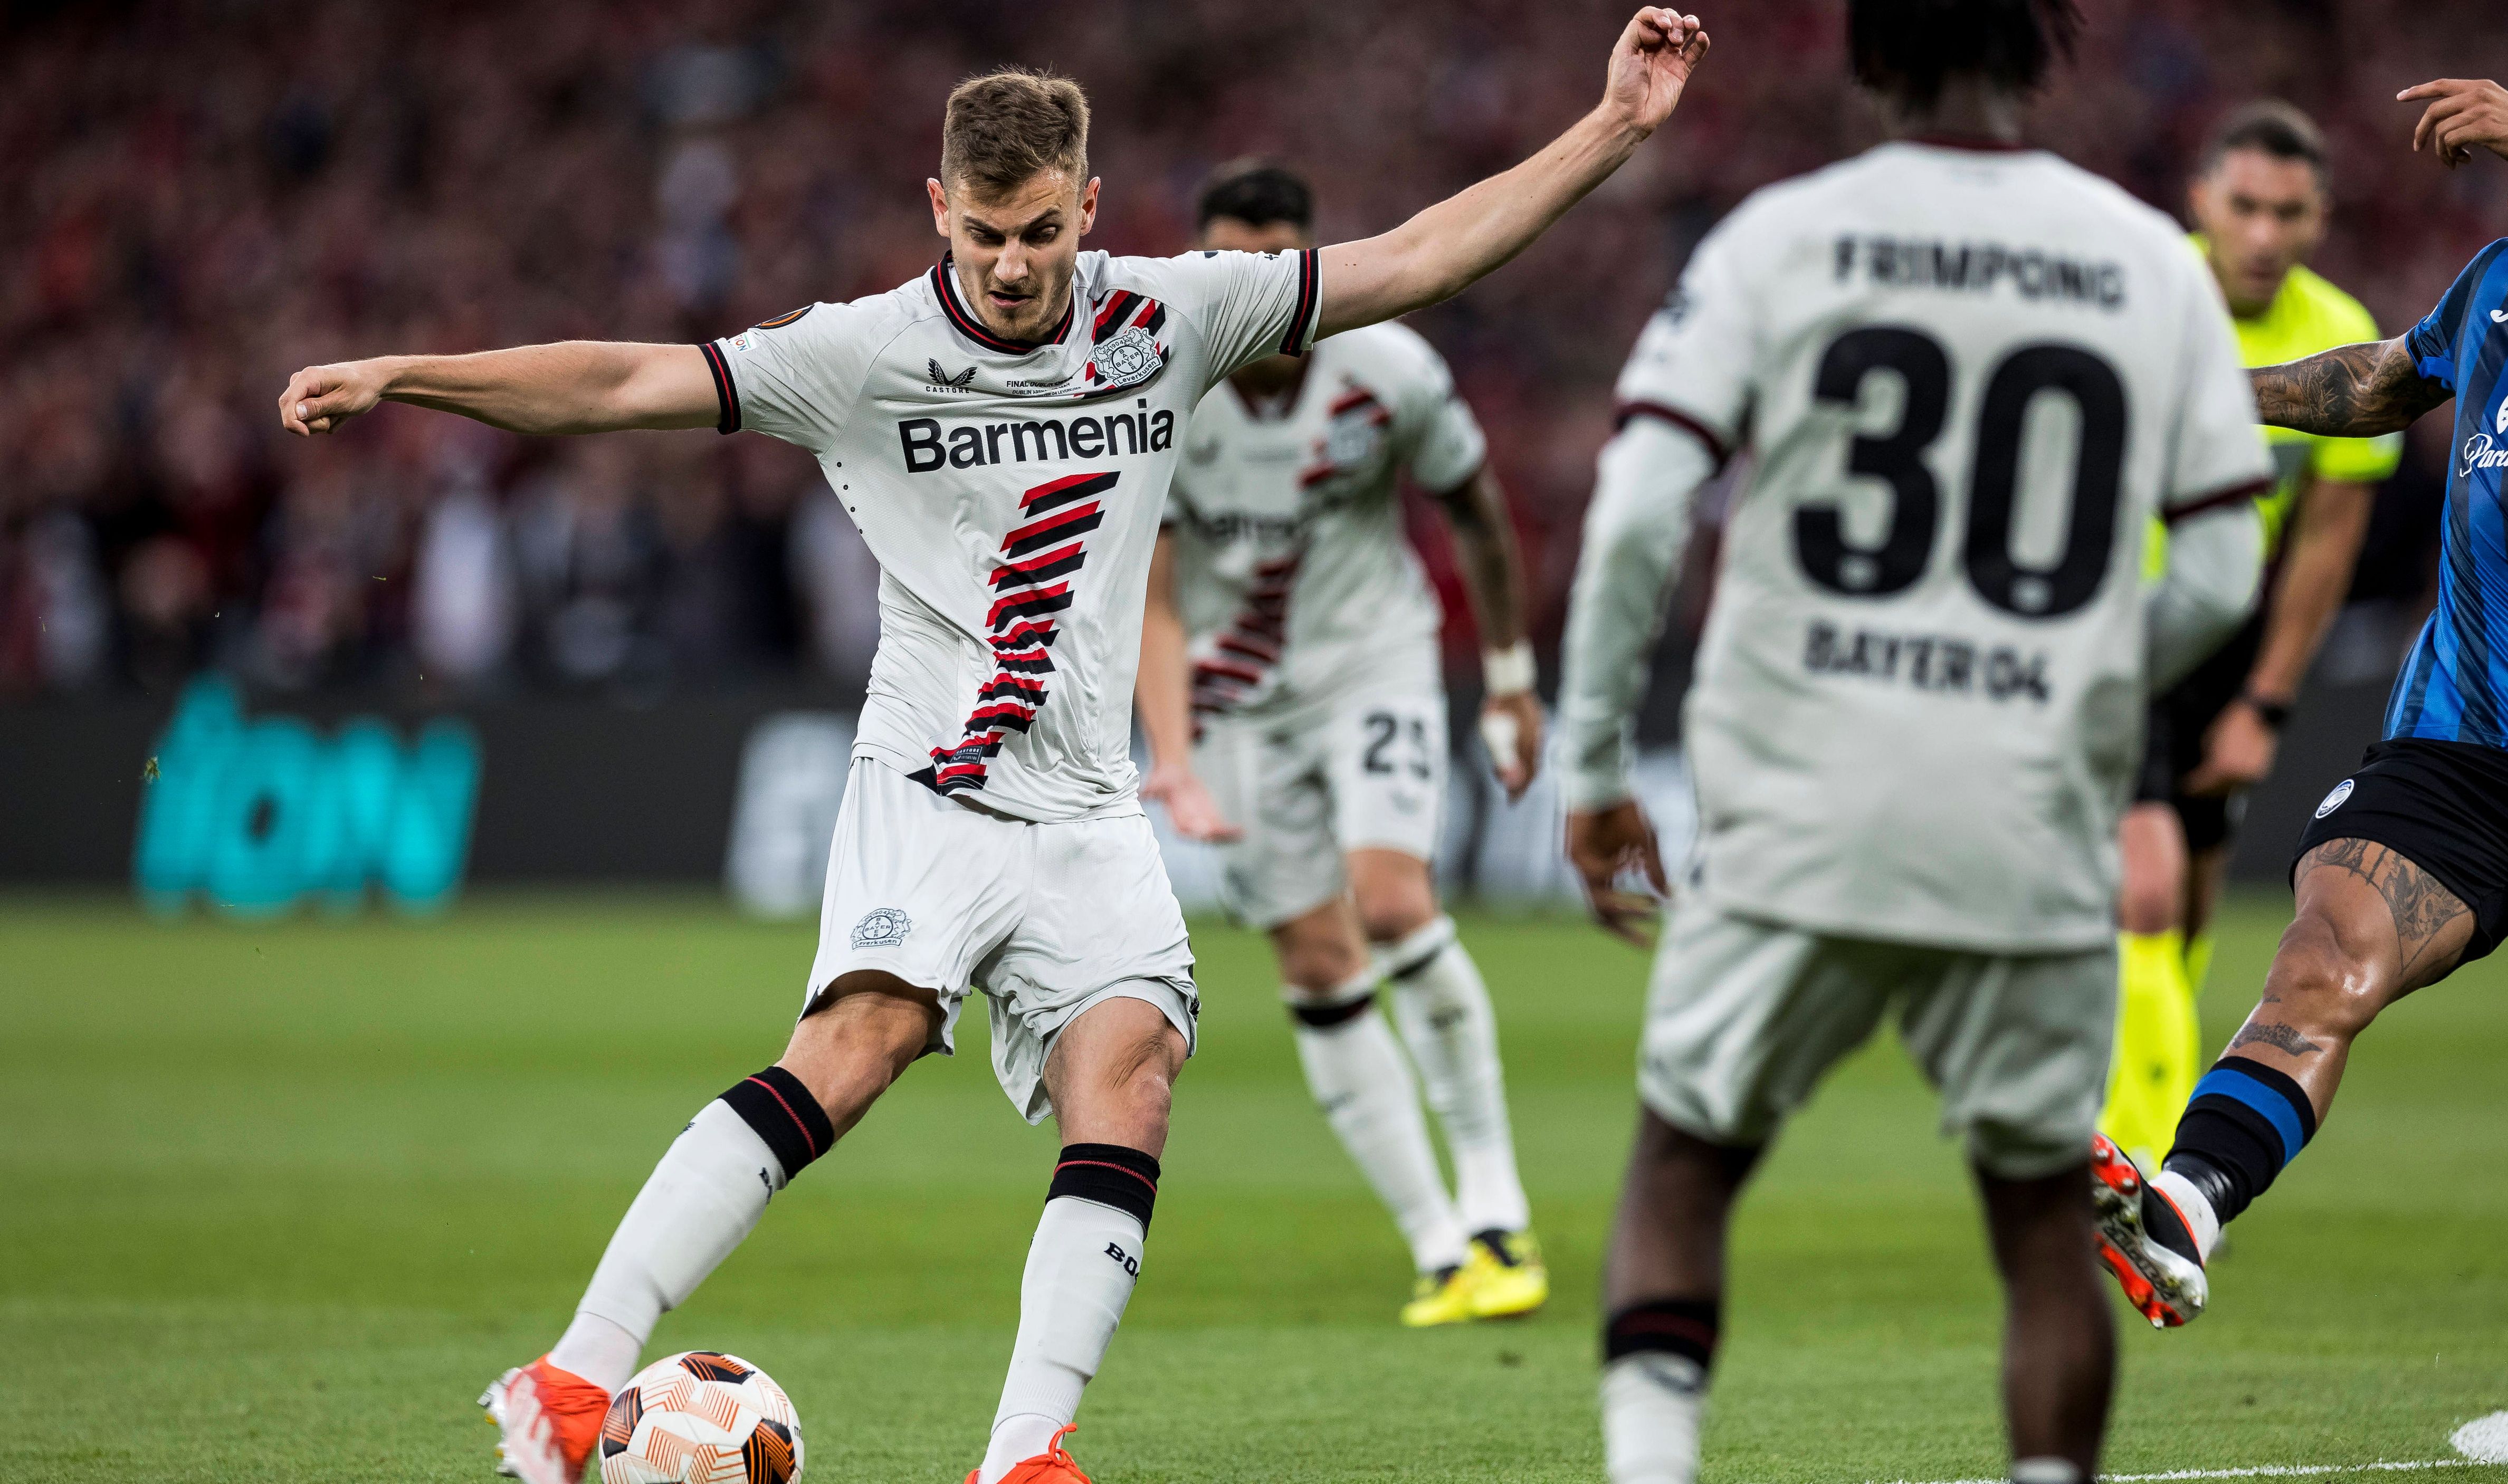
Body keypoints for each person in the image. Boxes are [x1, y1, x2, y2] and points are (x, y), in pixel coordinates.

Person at [273, 13, 1711, 1484]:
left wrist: (1613, 126)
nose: (1011, 265)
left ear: (1088, 207)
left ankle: (1025, 1455)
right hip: (935, 781)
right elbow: (622, 382)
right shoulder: (860, 352)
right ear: (936, 210)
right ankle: (578, 1374)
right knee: (859, 1043)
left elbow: (1420, 258)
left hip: (1086, 805)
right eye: (981, 237)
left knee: (1134, 1074)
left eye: (1037, 233)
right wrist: (410, 369)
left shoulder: (1173, 314)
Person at [1555, 0, 2271, 1478]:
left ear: (1867, 55)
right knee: (2033, 1220)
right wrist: (2074, 682)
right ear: (2044, 50)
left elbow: (1635, 510)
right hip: (2020, 818)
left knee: (1687, 1162)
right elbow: (2217, 568)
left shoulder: (1780, 237)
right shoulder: (2149, 261)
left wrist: (1594, 764)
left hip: (1795, 808)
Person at [2094, 11, 2508, 1332]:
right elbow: (2381, 383)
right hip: (2467, 753)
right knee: (2321, 960)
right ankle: (2188, 1202)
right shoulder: (2498, 285)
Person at [1133, 162, 1549, 1328]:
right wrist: (1168, 750)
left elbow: (1474, 507)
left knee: (1393, 901)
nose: (1251, 293)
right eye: (1227, 268)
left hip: (1375, 663)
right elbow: (1153, 601)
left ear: (1309, 268)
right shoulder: (1165, 391)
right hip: (1238, 701)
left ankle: (1494, 1202)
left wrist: (1512, 680)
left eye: (1274, 268)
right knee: (1316, 963)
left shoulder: (1392, 367)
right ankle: (1438, 1247)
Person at [2099, 102, 2405, 1172]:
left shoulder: (2340, 336)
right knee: (2141, 884)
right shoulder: (2137, 296)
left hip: (2223, 644)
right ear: (2201, 204)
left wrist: (2263, 702)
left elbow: (2323, 549)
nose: (2264, 235)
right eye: (2244, 208)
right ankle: (2142, 1154)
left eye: (2289, 212)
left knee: (2180, 909)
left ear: (2321, 217)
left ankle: (2135, 1104)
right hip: (2110, 626)